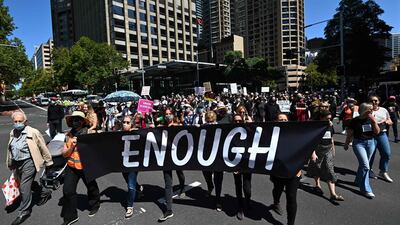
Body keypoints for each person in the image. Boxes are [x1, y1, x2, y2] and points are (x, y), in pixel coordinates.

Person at [6, 111, 53, 225]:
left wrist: (49, 162)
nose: (17, 123)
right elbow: (11, 148)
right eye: (15, 121)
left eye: (20, 121)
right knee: (26, 183)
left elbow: (43, 147)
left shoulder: (33, 132)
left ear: (25, 121)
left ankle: (24, 211)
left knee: (24, 187)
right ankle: (45, 192)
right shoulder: (13, 132)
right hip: (17, 163)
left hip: (29, 162)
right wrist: (11, 162)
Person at [61, 111, 100, 225]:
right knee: (68, 191)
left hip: (87, 167)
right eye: (73, 120)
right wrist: (72, 146)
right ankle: (71, 217)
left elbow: (100, 147)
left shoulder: (90, 132)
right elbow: (64, 154)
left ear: (83, 121)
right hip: (72, 167)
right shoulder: (68, 135)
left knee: (92, 187)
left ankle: (95, 204)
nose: (75, 122)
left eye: (77, 119)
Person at [269, 113, 301, 225]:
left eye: (285, 120)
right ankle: (276, 202)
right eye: (280, 119)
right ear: (276, 121)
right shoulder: (271, 135)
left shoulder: (294, 134)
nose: (282, 121)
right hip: (277, 170)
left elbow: (306, 145)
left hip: (294, 171)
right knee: (277, 189)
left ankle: (290, 223)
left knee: (291, 197)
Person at [344, 103, 380, 199]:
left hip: (371, 143)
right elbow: (349, 134)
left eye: (372, 109)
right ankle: (366, 189)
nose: (372, 111)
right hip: (359, 143)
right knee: (365, 166)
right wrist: (347, 143)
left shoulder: (372, 119)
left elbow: (377, 132)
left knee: (364, 164)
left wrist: (374, 122)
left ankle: (357, 181)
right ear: (364, 110)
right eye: (369, 110)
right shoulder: (355, 121)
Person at [307, 110, 344, 201]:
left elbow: (331, 137)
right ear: (321, 118)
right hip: (317, 149)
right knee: (316, 167)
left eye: (330, 118)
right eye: (327, 118)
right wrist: (313, 153)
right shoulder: (315, 127)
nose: (329, 120)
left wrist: (333, 149)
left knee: (329, 169)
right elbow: (311, 141)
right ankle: (317, 185)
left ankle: (333, 194)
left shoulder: (330, 126)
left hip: (328, 149)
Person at [158, 108, 186, 221]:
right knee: (168, 183)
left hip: (177, 157)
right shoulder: (161, 127)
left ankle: (182, 187)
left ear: (173, 115)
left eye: (170, 114)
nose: (168, 116)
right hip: (166, 158)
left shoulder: (178, 126)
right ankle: (169, 210)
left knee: (180, 173)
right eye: (166, 114)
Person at [202, 111, 224, 212]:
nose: (210, 123)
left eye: (212, 121)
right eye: (208, 121)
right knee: (206, 174)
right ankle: (210, 186)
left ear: (215, 120)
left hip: (218, 157)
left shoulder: (221, 128)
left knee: (218, 179)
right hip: (205, 156)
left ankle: (218, 200)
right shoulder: (203, 127)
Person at [232, 114, 252, 220]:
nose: (238, 123)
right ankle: (240, 207)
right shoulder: (229, 133)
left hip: (247, 163)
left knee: (247, 188)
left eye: (240, 121)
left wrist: (251, 123)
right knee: (238, 186)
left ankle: (248, 201)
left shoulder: (248, 130)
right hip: (235, 164)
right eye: (235, 121)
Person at [368, 96, 393, 182]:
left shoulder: (384, 110)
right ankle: (368, 170)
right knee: (371, 154)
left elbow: (390, 120)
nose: (374, 102)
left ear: (379, 101)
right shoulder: (367, 110)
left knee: (386, 153)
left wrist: (387, 122)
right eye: (372, 101)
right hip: (371, 134)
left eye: (376, 100)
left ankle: (383, 171)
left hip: (382, 133)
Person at [120, 115, 139, 218]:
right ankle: (139, 188)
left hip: (134, 162)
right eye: (124, 122)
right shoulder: (119, 133)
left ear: (131, 124)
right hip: (123, 163)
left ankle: (130, 206)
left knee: (130, 185)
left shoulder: (136, 132)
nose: (125, 124)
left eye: (127, 122)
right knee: (128, 179)